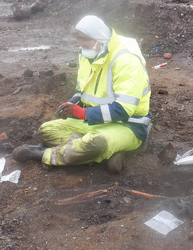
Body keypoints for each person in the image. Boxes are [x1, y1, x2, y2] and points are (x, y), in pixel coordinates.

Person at [12, 15, 152, 172]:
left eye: (86, 46)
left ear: (100, 40)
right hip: (96, 122)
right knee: (46, 130)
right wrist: (73, 102)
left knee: (95, 144)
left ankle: (43, 154)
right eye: (81, 46)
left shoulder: (127, 61)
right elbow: (83, 90)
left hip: (128, 125)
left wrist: (83, 113)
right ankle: (106, 154)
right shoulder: (89, 55)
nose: (83, 50)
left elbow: (124, 110)